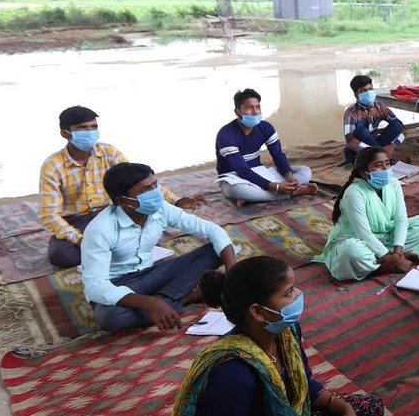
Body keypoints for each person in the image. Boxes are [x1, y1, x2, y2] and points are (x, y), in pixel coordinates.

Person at [152, 255, 384, 416]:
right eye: (288, 293)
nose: (299, 295)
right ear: (258, 312)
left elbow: (301, 384)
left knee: (368, 408)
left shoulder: (286, 331)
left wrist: (345, 410)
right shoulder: (232, 376)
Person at [40, 105, 206, 269]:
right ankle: (119, 248)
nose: (90, 132)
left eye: (94, 127)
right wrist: (81, 239)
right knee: (60, 256)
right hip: (77, 221)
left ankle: (112, 249)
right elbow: (49, 215)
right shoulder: (53, 165)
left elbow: (137, 181)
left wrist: (176, 200)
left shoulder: (109, 152)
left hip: (110, 212)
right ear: (65, 133)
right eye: (83, 128)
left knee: (145, 227)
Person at [81, 163, 238, 333]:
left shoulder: (160, 209)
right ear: (123, 200)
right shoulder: (100, 229)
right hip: (118, 284)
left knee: (215, 250)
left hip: (152, 273)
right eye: (145, 190)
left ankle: (166, 301)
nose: (155, 192)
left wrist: (233, 277)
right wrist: (149, 303)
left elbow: (211, 230)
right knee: (112, 318)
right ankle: (185, 298)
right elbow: (95, 286)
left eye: (154, 184)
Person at [314, 147, 419, 281]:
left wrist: (397, 252)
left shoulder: (394, 183)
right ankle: (384, 266)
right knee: (351, 253)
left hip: (384, 235)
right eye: (379, 165)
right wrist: (389, 256)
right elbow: (363, 233)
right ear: (363, 171)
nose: (386, 169)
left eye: (388, 163)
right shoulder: (354, 192)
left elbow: (401, 219)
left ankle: (390, 258)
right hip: (356, 239)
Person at [216, 88, 317, 207]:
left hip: (259, 172)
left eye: (258, 107)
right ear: (237, 112)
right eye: (249, 108)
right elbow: (243, 170)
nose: (255, 112)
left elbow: (278, 155)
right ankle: (294, 192)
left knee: (305, 171)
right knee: (239, 191)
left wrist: (290, 178)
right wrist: (276, 186)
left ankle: (262, 195)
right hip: (233, 178)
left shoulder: (266, 128)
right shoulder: (226, 135)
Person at [342, 75, 405, 165]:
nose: (369, 92)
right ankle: (383, 156)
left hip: (376, 143)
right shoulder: (350, 112)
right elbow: (350, 141)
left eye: (370, 89)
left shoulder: (380, 107)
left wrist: (392, 146)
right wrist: (378, 152)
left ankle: (382, 156)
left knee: (397, 124)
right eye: (364, 90)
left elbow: (402, 129)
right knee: (361, 131)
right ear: (356, 94)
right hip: (359, 151)